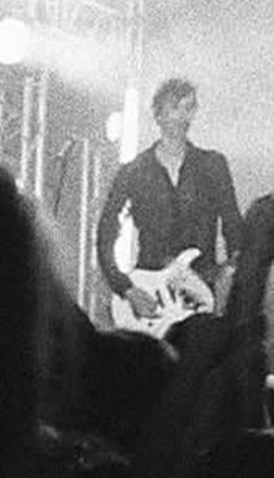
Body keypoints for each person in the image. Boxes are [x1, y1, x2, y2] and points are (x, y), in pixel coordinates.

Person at [95, 76, 244, 327]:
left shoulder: (212, 165)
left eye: (189, 108)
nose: (182, 117)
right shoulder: (134, 171)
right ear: (158, 114)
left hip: (197, 292)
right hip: (150, 294)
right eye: (175, 108)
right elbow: (105, 234)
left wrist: (235, 263)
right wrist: (126, 289)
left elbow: (232, 222)